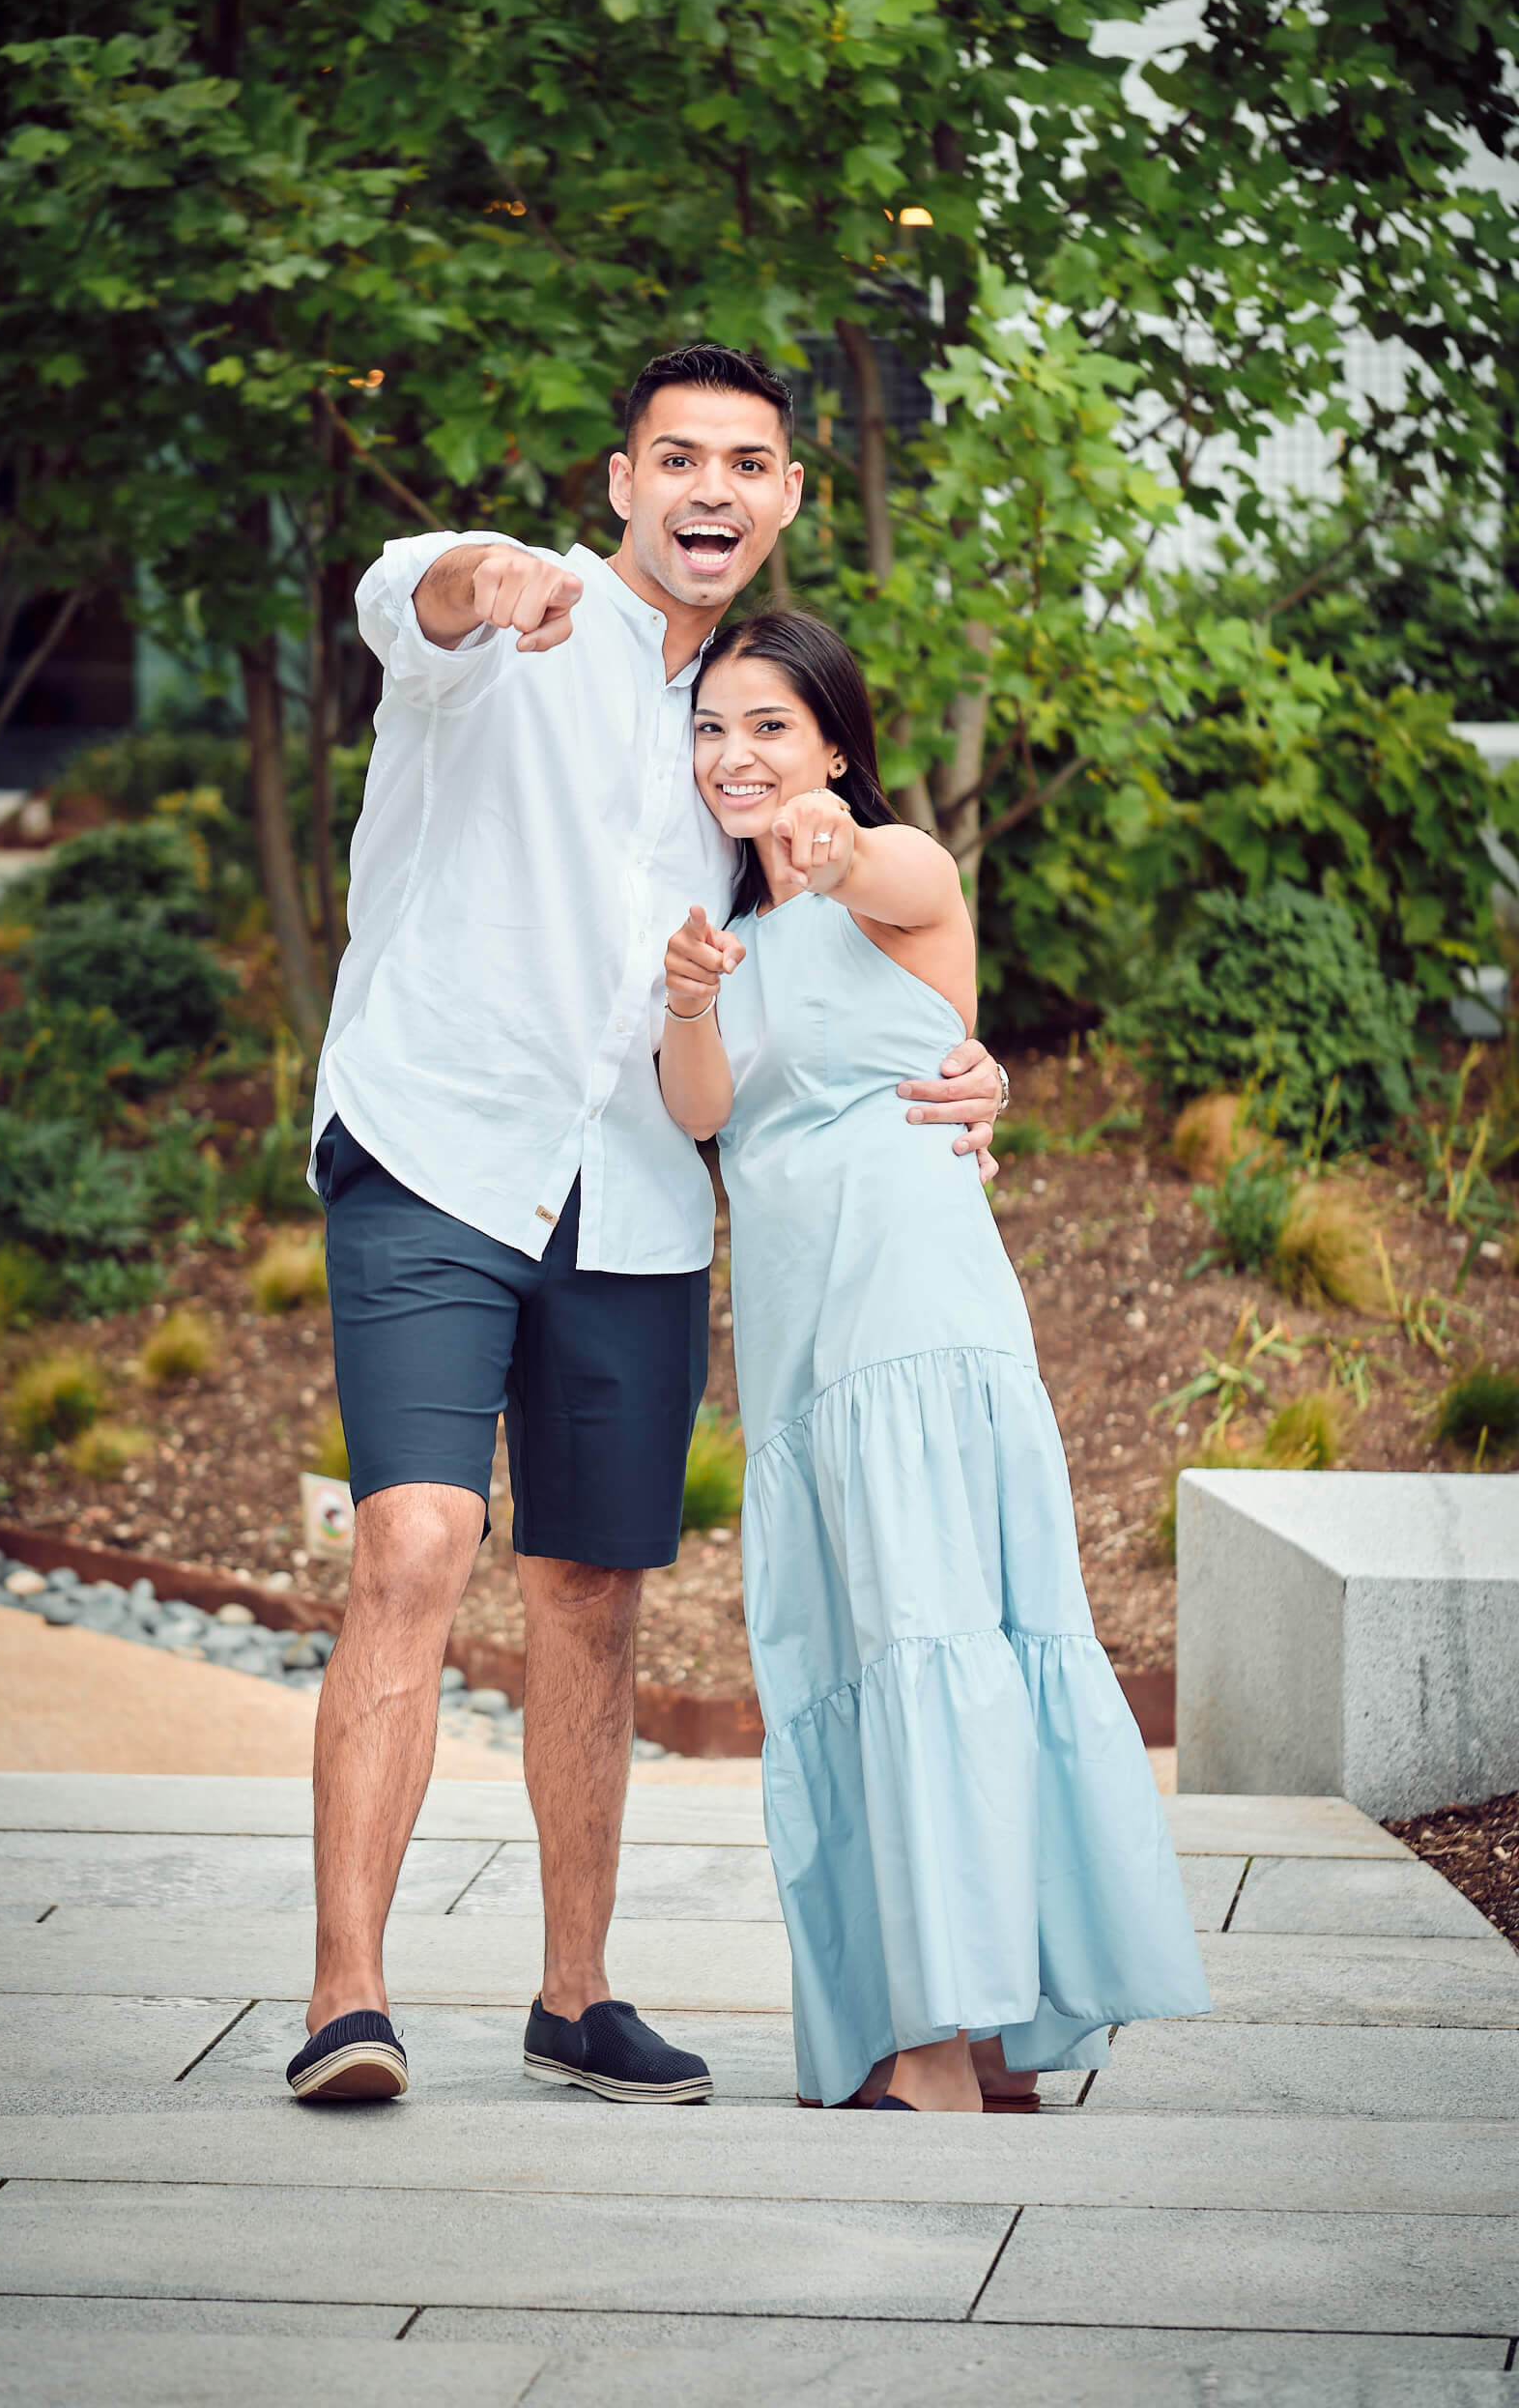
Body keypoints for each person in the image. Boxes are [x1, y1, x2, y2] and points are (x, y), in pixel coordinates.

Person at [285, 346, 1011, 2106]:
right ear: (619, 481)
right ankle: (347, 1999)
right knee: (416, 1544)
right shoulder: (506, 638)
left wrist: (964, 1066)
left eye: (745, 464)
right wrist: (486, 575)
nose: (709, 489)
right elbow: (411, 595)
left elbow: (857, 950)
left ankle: (575, 1996)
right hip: (440, 1147)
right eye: (674, 457)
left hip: (634, 1199)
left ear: (784, 500)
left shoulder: (754, 724)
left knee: (594, 1594)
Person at [659, 611, 1209, 2114]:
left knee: (936, 1636)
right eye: (712, 728)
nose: (736, 755)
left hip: (910, 1304)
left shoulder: (896, 879)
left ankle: (939, 2044)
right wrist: (692, 996)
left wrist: (833, 843)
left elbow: (902, 871)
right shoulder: (722, 936)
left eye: (771, 725)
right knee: (862, 1650)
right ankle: (980, 2033)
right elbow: (704, 1111)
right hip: (795, 1332)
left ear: (834, 744)